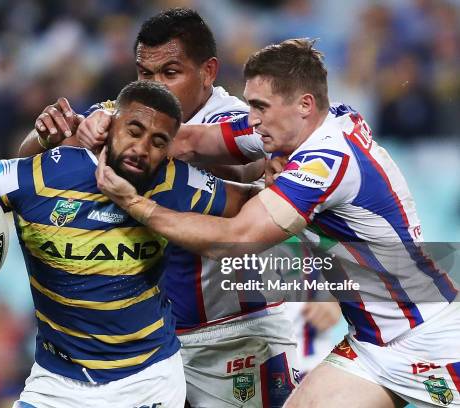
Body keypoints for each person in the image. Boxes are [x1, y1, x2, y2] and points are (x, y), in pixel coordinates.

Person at [95, 39, 460, 408]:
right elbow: (188, 141)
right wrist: (101, 123)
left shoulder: (327, 161)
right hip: (370, 345)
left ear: (304, 104)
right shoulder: (307, 124)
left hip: (431, 334)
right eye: (251, 103)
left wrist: (134, 203)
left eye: (260, 107)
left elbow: (234, 238)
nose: (252, 118)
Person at [0, 80, 256, 408]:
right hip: (56, 384)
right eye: (134, 130)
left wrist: (285, 172)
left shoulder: (174, 182)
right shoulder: (41, 176)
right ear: (109, 125)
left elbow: (255, 204)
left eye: (158, 141)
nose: (142, 148)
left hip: (149, 380)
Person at [19, 8, 300, 407]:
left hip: (232, 336)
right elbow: (26, 165)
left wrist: (271, 167)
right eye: (145, 75)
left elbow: (255, 162)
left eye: (170, 73)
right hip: (145, 351)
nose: (157, 87)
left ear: (208, 72)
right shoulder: (126, 113)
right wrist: (45, 135)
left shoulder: (234, 117)